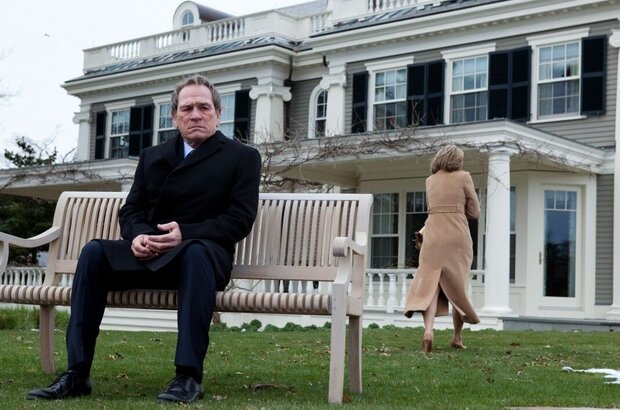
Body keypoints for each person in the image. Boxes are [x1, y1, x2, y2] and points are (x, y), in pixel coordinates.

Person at [27, 74, 262, 403]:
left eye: (204, 107)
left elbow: (239, 220)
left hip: (202, 258)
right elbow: (131, 211)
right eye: (187, 108)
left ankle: (188, 377)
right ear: (174, 116)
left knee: (195, 253)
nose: (196, 115)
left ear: (218, 114)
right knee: (94, 252)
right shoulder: (153, 156)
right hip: (150, 253)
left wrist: (185, 233)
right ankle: (77, 373)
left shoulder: (242, 157)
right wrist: (138, 236)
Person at [404, 144, 480, 353]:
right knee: (457, 287)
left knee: (431, 285)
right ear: (457, 160)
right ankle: (457, 337)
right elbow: (474, 211)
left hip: (433, 237)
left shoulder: (430, 180)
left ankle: (428, 332)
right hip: (457, 237)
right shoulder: (464, 177)